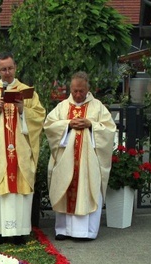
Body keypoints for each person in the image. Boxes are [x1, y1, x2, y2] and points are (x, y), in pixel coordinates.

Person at [0, 51, 45, 245]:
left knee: (19, 191)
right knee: (2, 191)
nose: (7, 73)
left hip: (20, 151)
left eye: (10, 68)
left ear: (15, 68)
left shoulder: (27, 92)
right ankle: (1, 232)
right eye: (3, 69)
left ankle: (20, 231)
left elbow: (39, 116)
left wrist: (24, 110)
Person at [43, 71, 116, 240]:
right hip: (65, 161)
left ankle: (86, 232)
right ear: (70, 88)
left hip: (87, 163)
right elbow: (49, 126)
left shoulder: (97, 107)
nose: (77, 94)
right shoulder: (62, 107)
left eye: (81, 91)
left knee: (86, 189)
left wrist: (91, 125)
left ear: (88, 89)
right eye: (74, 91)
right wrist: (68, 124)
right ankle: (63, 230)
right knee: (64, 188)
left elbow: (109, 129)